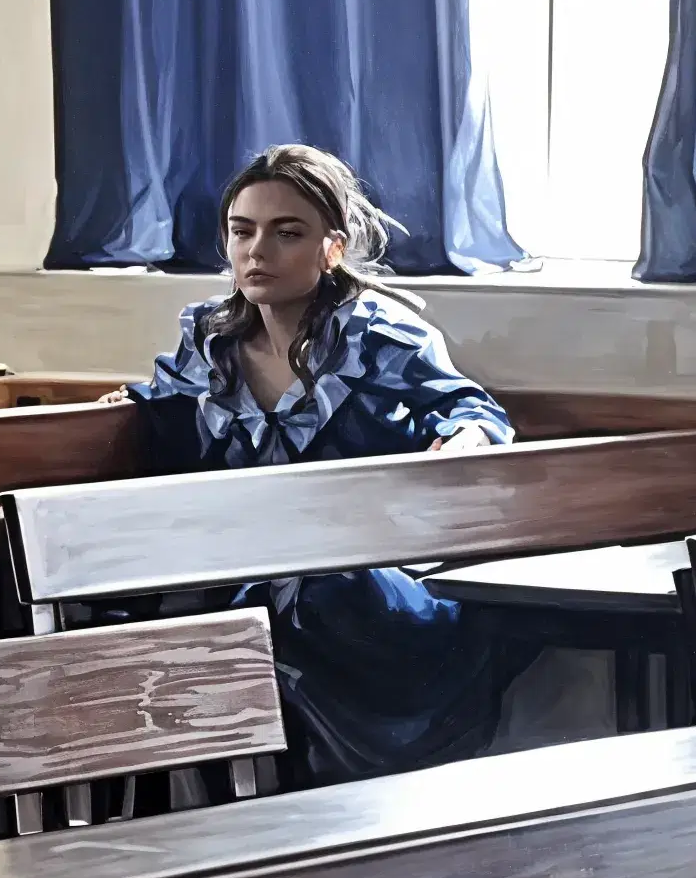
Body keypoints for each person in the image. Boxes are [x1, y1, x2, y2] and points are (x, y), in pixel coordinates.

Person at [127, 142, 523, 777]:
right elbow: (158, 410)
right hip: (243, 571)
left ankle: (317, 815)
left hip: (368, 581)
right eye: (241, 231)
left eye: (287, 234)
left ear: (331, 247)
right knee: (173, 610)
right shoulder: (209, 339)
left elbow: (472, 413)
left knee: (303, 596)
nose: (257, 252)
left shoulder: (380, 337)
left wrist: (461, 441)